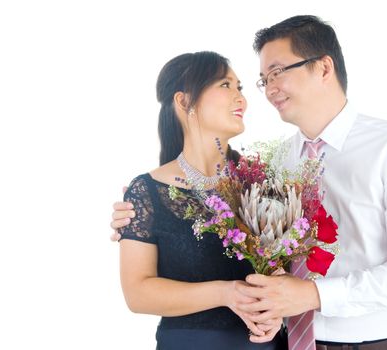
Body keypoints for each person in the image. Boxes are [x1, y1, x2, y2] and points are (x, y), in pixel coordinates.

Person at [112, 16, 387, 350]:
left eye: (278, 72)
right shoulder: (277, 164)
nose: (267, 90)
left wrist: (312, 295)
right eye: (263, 79)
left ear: (324, 68)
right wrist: (142, 214)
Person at [115, 51, 283, 350]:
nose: (240, 99)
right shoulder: (147, 191)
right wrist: (225, 293)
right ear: (184, 101)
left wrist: (276, 309)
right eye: (225, 85)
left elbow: (283, 272)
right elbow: (138, 294)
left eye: (240, 87)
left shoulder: (261, 183)